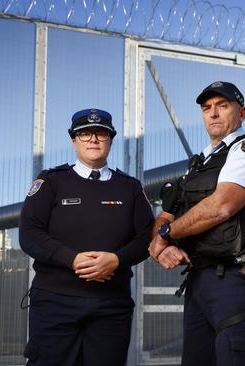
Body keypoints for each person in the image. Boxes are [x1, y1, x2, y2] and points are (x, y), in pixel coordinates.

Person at [149, 81, 245, 366]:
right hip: (199, 280)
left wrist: (166, 234)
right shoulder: (198, 164)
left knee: (237, 357)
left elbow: (221, 207)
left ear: (242, 113)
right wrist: (162, 245)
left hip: (238, 278)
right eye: (207, 108)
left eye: (223, 106)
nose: (214, 113)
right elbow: (167, 214)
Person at [19, 108, 154, 366]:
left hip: (111, 305)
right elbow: (29, 233)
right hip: (55, 303)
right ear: (74, 140)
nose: (93, 139)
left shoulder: (130, 187)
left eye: (101, 133)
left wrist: (116, 259)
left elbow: (147, 236)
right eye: (85, 134)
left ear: (111, 140)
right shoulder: (51, 181)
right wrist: (72, 260)